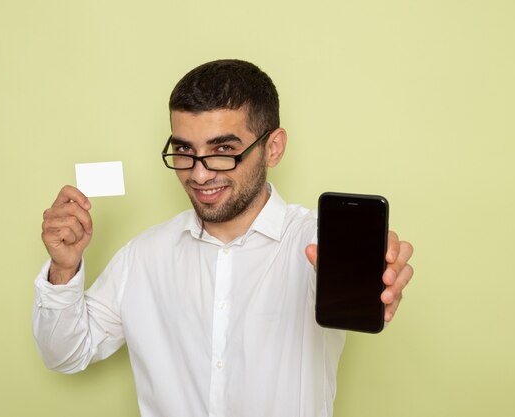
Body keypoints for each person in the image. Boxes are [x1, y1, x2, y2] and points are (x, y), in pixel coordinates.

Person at [33, 59, 414, 417]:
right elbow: (65, 354)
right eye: (184, 150)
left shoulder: (319, 246)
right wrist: (64, 270)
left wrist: (377, 283)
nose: (199, 175)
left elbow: (370, 292)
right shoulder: (144, 256)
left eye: (223, 151)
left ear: (273, 147)